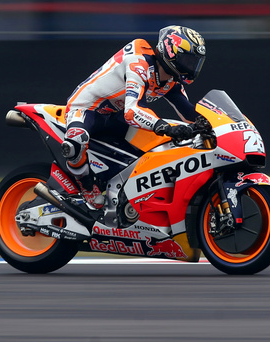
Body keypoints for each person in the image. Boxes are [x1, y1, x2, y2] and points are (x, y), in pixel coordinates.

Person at [62, 25, 208, 211]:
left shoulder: (171, 80)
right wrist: (165, 127)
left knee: (156, 145)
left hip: (114, 115)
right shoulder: (139, 63)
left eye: (195, 63)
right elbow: (132, 111)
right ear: (171, 51)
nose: (191, 67)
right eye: (188, 60)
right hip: (86, 109)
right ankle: (86, 185)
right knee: (76, 140)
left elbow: (189, 112)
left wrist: (215, 125)